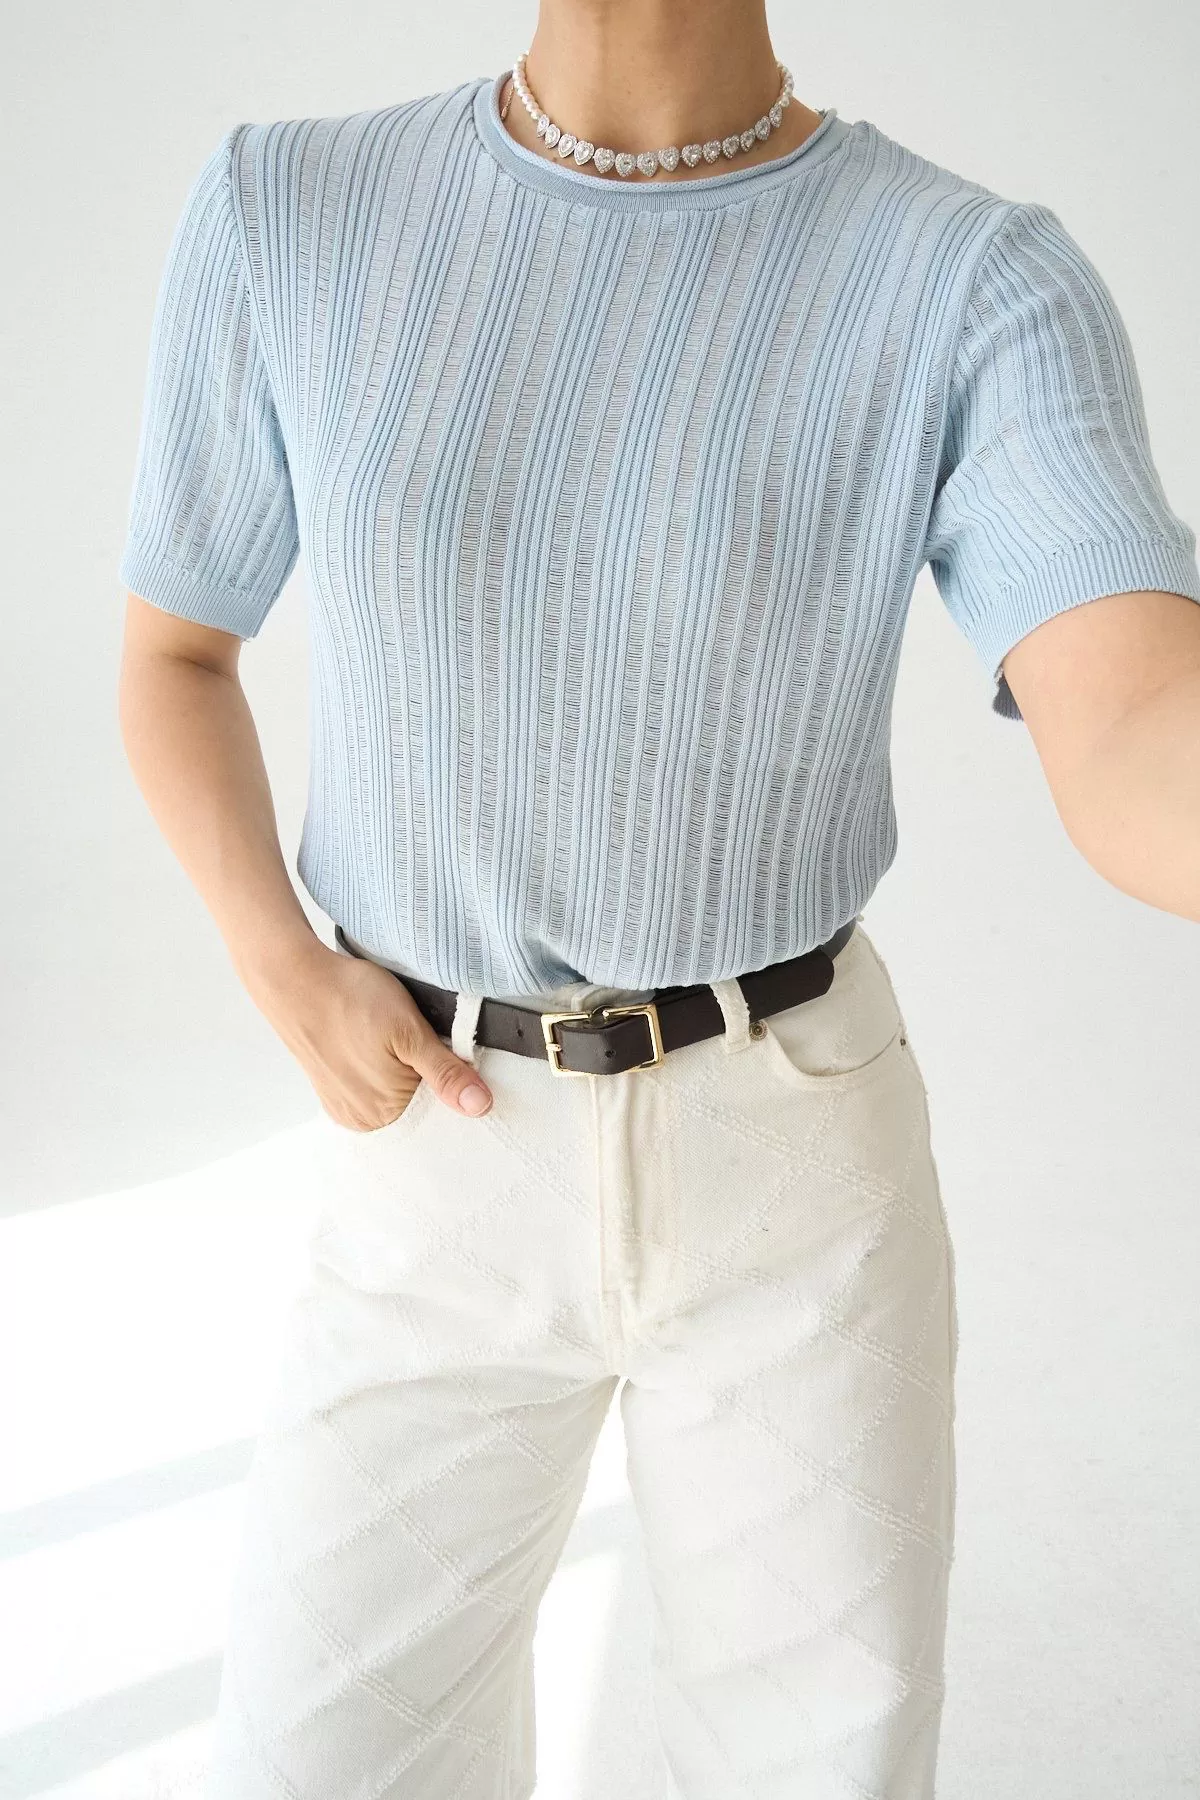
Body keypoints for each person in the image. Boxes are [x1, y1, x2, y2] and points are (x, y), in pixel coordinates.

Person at [116, 4, 1200, 1795]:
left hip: (796, 1162)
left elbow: (1140, 719)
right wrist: (278, 961)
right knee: (319, 1759)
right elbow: (175, 654)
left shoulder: (969, 279)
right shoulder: (288, 210)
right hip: (435, 1148)